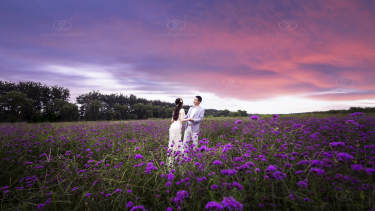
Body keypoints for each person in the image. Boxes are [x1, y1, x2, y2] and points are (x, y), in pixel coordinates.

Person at [167, 98, 189, 168]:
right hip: (177, 127)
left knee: (172, 142)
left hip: (172, 126)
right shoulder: (182, 110)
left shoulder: (175, 110)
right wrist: (189, 118)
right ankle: (179, 161)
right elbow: (182, 120)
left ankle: (171, 161)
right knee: (178, 143)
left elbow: (172, 120)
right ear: (181, 103)